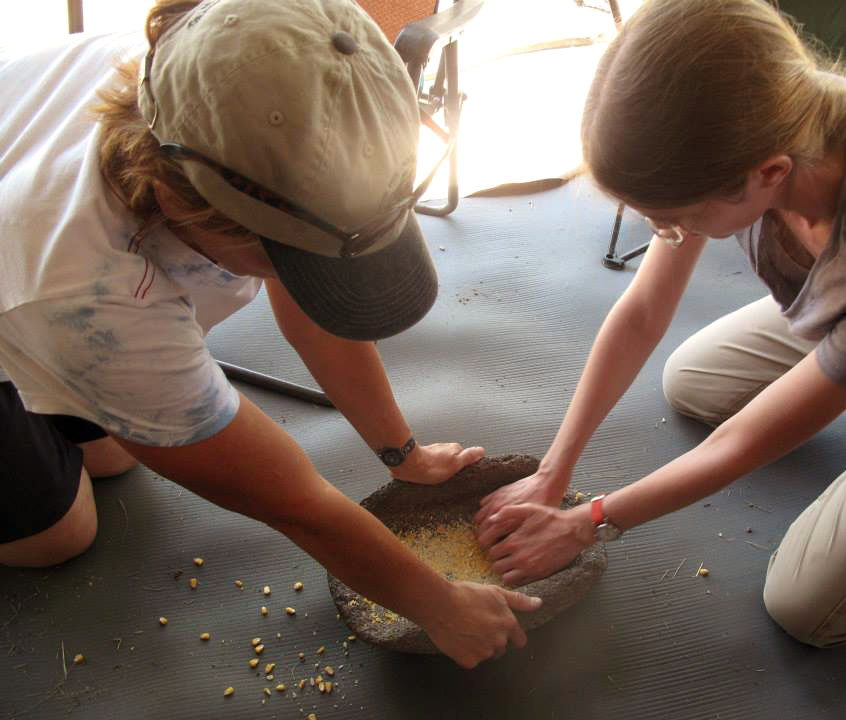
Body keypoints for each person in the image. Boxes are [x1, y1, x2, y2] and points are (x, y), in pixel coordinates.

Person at [0, 0, 541, 668]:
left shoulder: (235, 89)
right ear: (177, 204)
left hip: (37, 289)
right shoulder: (89, 297)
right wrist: (436, 602)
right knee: (60, 535)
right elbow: (291, 500)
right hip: (28, 293)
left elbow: (319, 311)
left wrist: (402, 453)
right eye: (284, 258)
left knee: (117, 453)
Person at [475, 0, 846, 648]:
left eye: (675, 221)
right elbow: (644, 311)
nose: (667, 235)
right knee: (691, 381)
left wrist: (589, 520)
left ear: (768, 175)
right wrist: (553, 472)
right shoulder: (767, 125)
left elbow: (741, 444)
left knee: (805, 608)